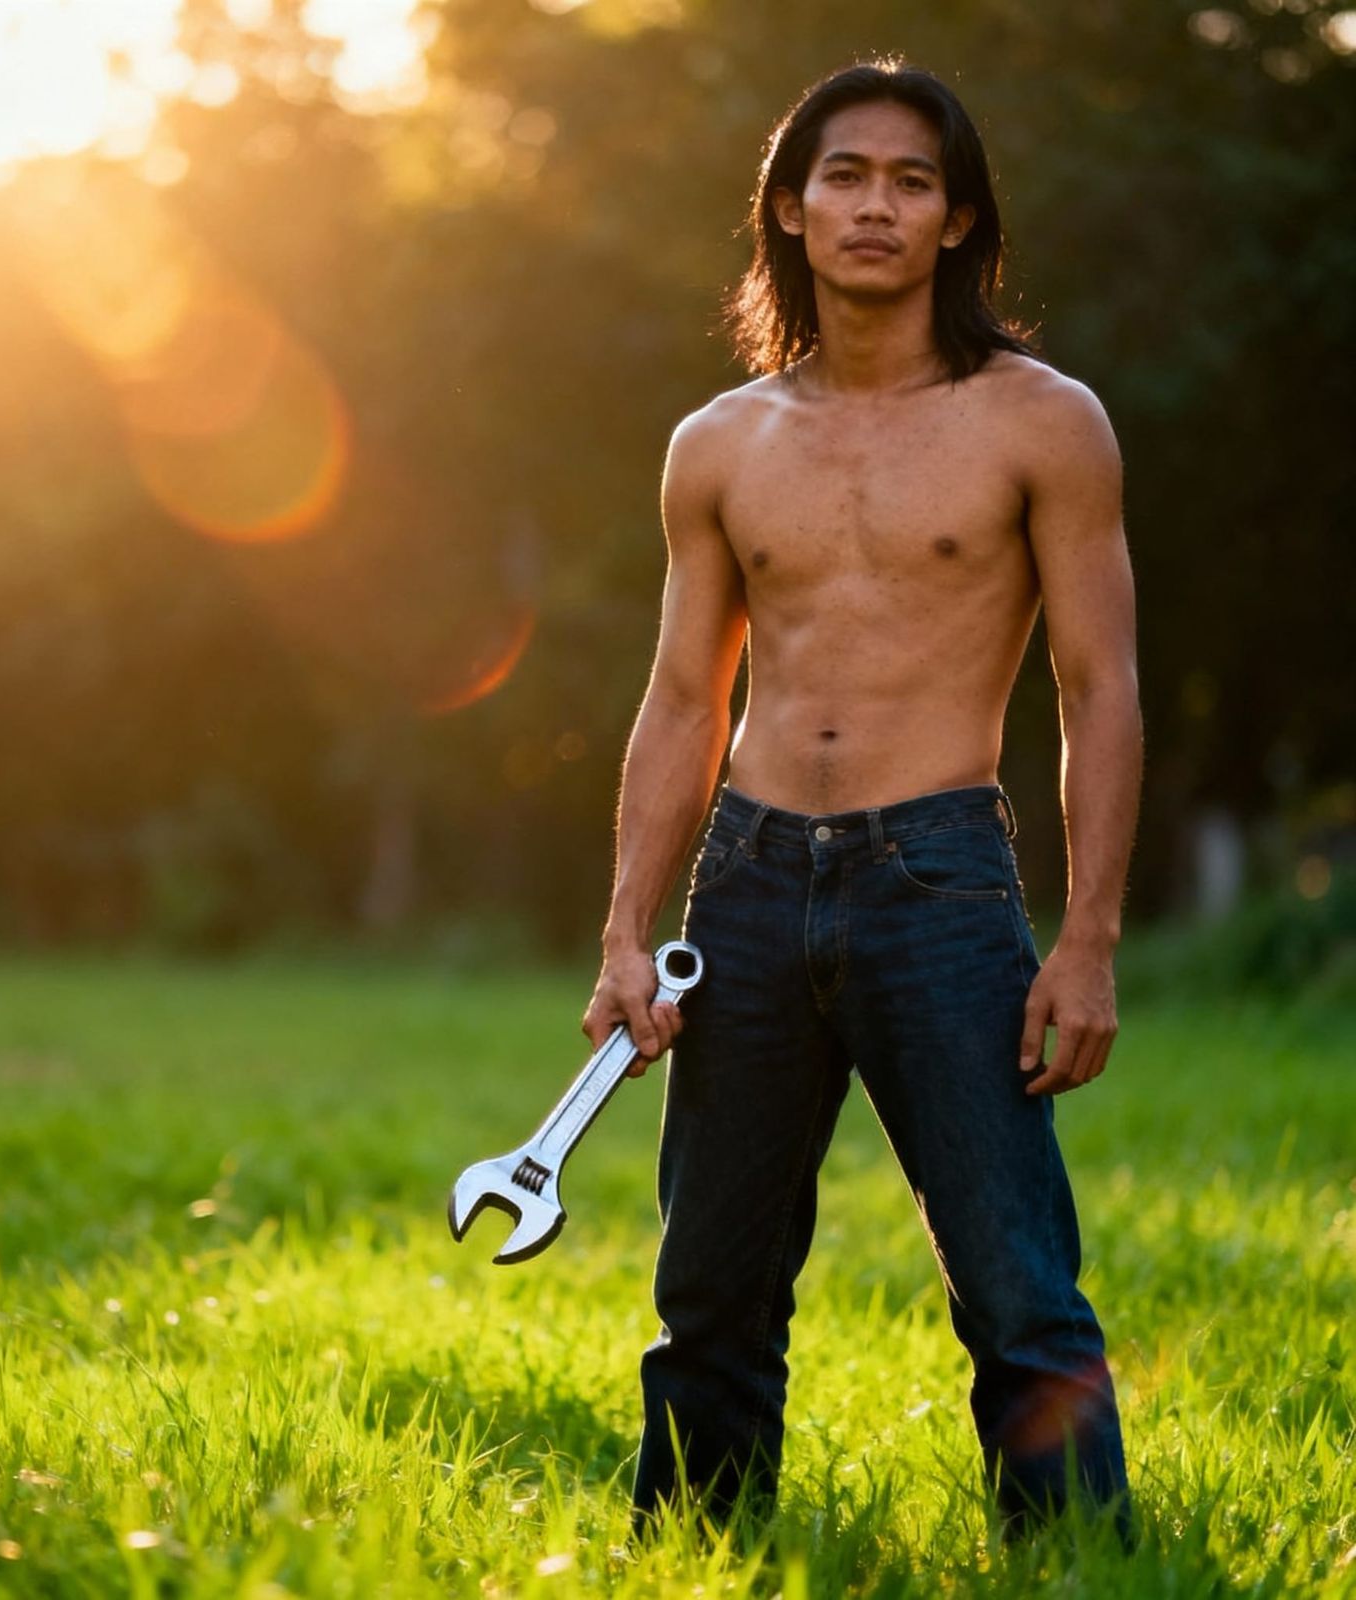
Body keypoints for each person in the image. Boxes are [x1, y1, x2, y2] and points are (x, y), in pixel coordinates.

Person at [580, 60, 1141, 1540]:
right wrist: (627, 931)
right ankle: (697, 1553)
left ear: (959, 220)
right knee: (710, 1285)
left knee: (1018, 1286)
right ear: (790, 206)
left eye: (910, 181)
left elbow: (1100, 692)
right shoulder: (718, 444)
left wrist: (1086, 940)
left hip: (940, 878)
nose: (875, 205)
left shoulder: (1045, 423)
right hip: (750, 883)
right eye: (845, 175)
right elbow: (684, 702)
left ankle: (1082, 1566)